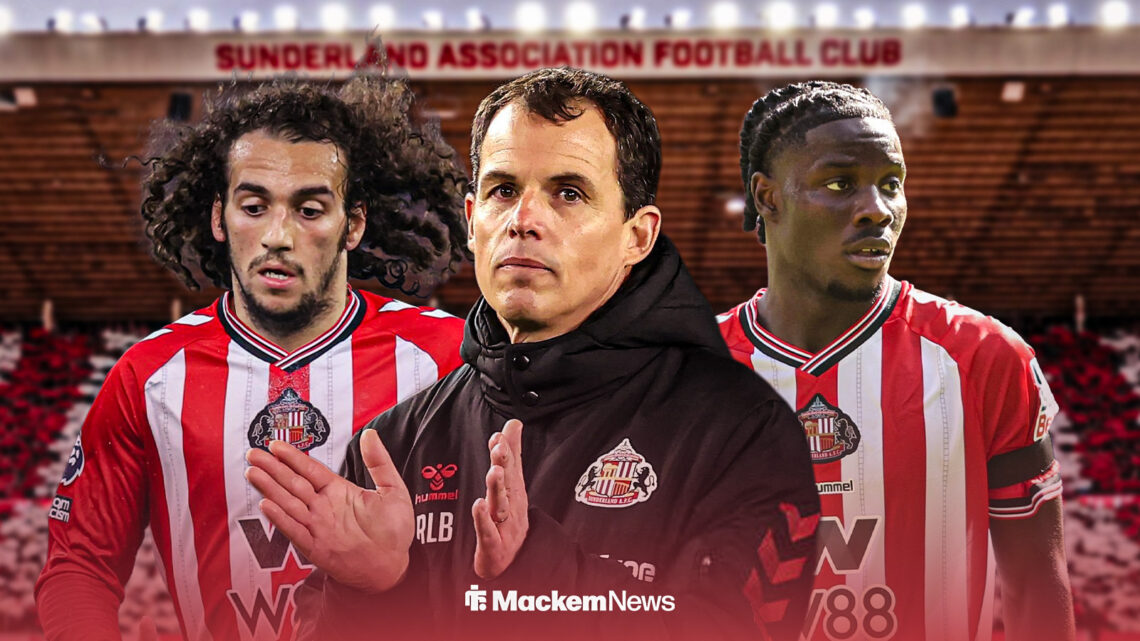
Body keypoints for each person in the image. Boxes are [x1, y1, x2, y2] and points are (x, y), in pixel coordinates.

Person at [245, 67, 820, 641]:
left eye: (568, 193)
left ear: (637, 237)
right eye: (503, 190)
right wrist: (369, 594)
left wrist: (540, 572)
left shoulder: (740, 430)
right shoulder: (393, 445)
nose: (523, 221)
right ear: (472, 222)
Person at [36, 73, 471, 641]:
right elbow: (80, 565)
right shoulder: (149, 376)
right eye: (254, 206)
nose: (277, 236)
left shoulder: (447, 359)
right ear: (219, 217)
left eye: (309, 209)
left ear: (353, 224)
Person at [719, 81, 1075, 641]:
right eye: (840, 183)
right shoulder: (684, 374)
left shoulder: (984, 357)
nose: (877, 210)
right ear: (768, 198)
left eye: (891, 184)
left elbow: (1036, 583)